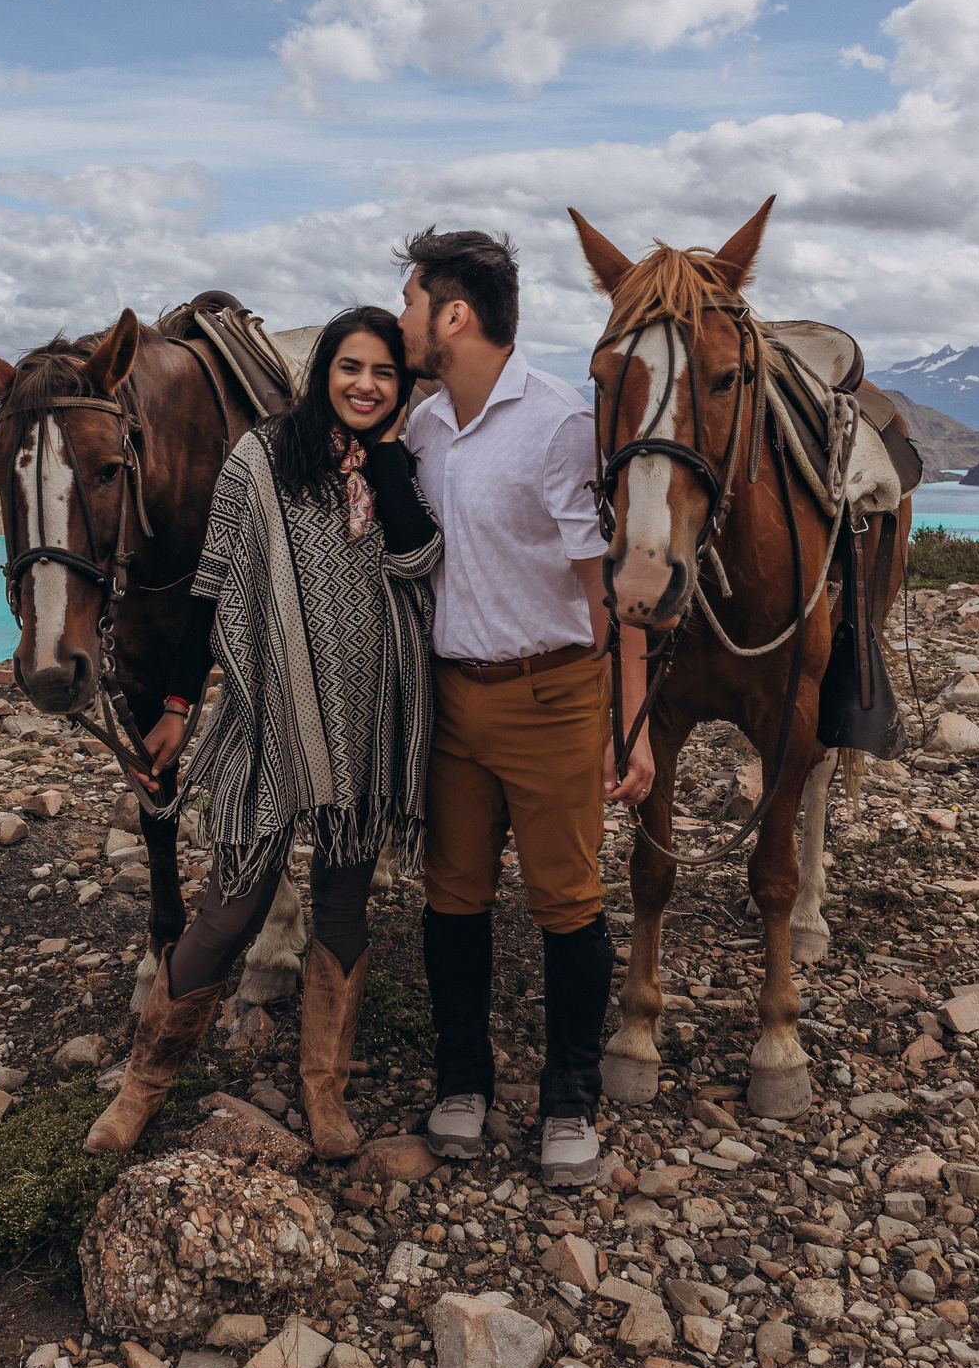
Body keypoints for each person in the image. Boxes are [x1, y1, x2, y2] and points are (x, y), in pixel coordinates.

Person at [83, 306, 442, 1159]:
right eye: (350, 367)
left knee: (343, 908)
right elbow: (210, 588)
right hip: (268, 718)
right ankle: (142, 1089)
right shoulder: (262, 456)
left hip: (366, 725)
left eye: (384, 373)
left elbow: (421, 559)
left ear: (400, 388)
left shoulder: (396, 464)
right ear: (324, 371)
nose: (365, 384)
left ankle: (325, 1095)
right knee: (231, 907)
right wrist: (177, 707)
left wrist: (387, 461)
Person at [395, 227, 654, 1187]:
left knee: (567, 905)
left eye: (413, 302)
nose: (404, 320)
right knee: (451, 898)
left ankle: (569, 1098)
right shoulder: (424, 427)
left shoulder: (556, 422)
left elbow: (608, 590)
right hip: (452, 696)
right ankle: (462, 1080)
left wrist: (629, 719)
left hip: (552, 695)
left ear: (453, 315)